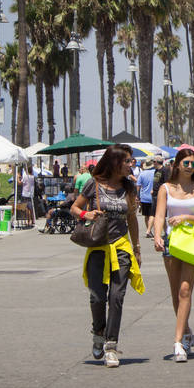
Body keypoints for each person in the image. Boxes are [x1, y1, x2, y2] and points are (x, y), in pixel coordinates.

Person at [70, 144, 144, 368]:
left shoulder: (129, 187)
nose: (132, 164)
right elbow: (74, 207)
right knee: (97, 297)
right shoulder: (94, 183)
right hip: (98, 248)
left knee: (117, 297)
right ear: (115, 162)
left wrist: (137, 248)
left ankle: (111, 345)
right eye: (128, 161)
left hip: (121, 248)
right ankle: (98, 333)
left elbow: (131, 219)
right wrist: (87, 213)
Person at [153, 149, 194, 362]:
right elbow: (160, 214)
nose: (190, 167)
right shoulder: (165, 189)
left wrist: (187, 217)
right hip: (171, 243)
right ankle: (186, 330)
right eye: (186, 163)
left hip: (192, 243)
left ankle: (178, 342)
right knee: (175, 292)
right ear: (177, 165)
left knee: (185, 290)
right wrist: (157, 236)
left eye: (193, 164)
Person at [136, 158, 156, 237]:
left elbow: (138, 186)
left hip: (144, 197)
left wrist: (137, 196)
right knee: (153, 215)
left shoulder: (142, 174)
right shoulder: (155, 172)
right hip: (154, 196)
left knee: (146, 215)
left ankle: (149, 230)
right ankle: (150, 230)